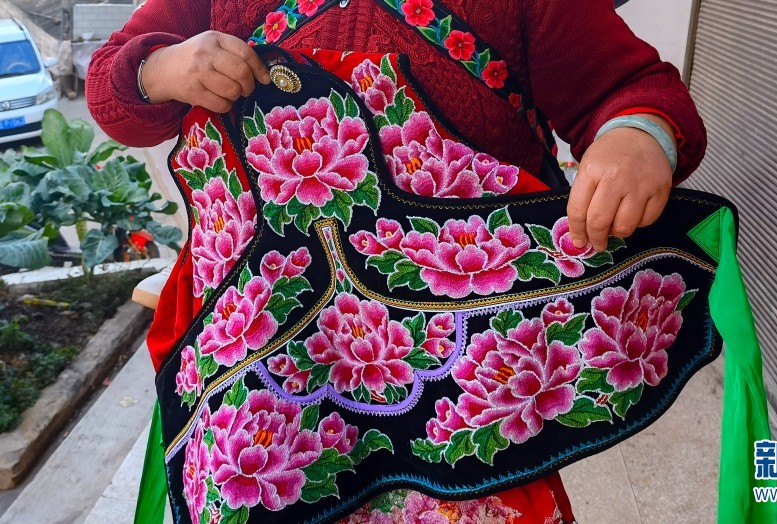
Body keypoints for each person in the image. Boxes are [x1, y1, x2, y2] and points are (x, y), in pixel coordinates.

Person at [87, 1, 706, 522]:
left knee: (472, 487)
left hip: (464, 354)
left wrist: (635, 136)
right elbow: (111, 85)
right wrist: (161, 69)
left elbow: (628, 86)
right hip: (273, 355)